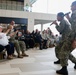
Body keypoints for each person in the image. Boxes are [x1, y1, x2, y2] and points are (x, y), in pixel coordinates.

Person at [53, 1, 76, 75]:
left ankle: (64, 69)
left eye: (71, 6)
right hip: (69, 37)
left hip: (70, 37)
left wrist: (74, 40)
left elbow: (74, 28)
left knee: (63, 52)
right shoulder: (73, 15)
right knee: (65, 52)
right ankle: (64, 65)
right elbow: (73, 25)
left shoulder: (74, 14)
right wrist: (69, 18)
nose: (70, 8)